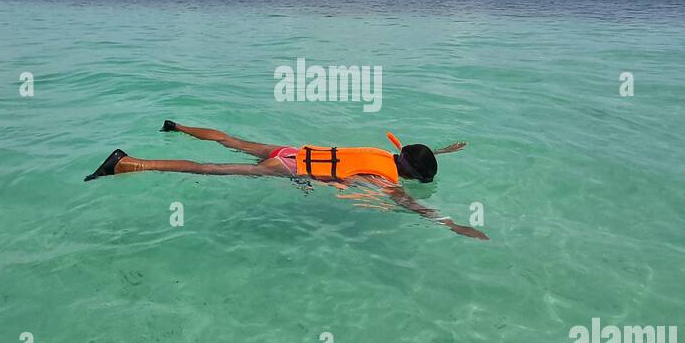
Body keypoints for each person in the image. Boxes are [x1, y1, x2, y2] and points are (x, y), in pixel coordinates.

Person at [85, 121, 488, 238]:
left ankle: (176, 126)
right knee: (207, 169)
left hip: (290, 151)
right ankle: (127, 163)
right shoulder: (385, 179)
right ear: (411, 174)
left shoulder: (385, 154)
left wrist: (446, 150)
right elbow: (411, 206)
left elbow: (414, 156)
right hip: (289, 169)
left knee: (230, 140)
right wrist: (451, 224)